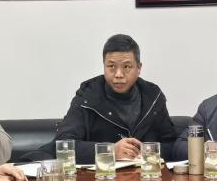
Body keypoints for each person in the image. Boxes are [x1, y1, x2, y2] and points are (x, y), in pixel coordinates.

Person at [56, 34, 178, 163]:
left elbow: (171, 145)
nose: (118, 74)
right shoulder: (87, 96)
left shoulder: (153, 96)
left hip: (145, 173)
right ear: (104, 66)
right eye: (111, 67)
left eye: (126, 67)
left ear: (139, 68)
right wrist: (110, 151)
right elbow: (63, 144)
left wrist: (147, 152)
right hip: (102, 174)